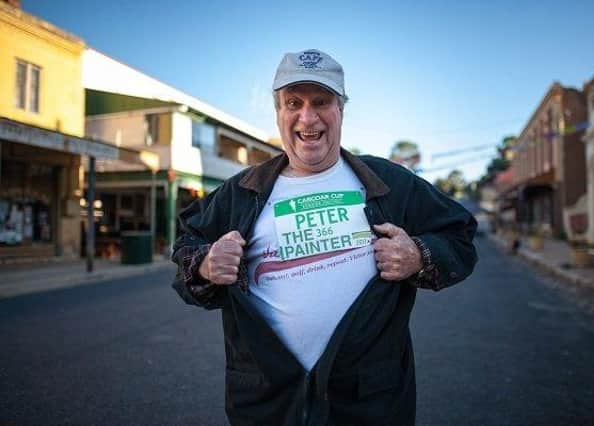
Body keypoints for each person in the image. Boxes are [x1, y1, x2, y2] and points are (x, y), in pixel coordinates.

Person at [171, 49, 478, 425]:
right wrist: (203, 264)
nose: (307, 117)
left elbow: (460, 236)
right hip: (268, 401)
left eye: (321, 102)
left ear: (341, 110)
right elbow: (184, 249)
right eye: (293, 103)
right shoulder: (241, 191)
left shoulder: (390, 184)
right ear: (279, 113)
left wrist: (418, 254)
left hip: (368, 403)